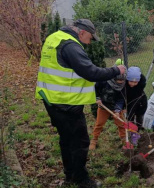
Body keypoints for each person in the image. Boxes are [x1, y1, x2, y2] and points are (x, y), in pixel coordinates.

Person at [35, 19, 126, 188]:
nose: (90, 42)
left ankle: (70, 175)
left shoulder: (55, 37)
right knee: (80, 141)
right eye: (91, 37)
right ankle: (80, 179)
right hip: (65, 103)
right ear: (82, 32)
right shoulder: (70, 46)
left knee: (67, 139)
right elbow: (90, 72)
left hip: (51, 99)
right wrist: (116, 70)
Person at [89, 67, 127, 150]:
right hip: (103, 105)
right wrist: (97, 98)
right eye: (118, 82)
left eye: (122, 82)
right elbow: (95, 88)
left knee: (121, 124)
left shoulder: (123, 86)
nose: (120, 84)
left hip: (115, 106)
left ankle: (124, 140)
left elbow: (121, 99)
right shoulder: (104, 81)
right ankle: (94, 140)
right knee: (99, 124)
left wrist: (117, 111)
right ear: (113, 79)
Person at [122, 66, 147, 144]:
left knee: (139, 116)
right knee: (130, 117)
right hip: (129, 102)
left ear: (139, 81)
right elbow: (122, 96)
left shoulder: (140, 85)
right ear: (127, 79)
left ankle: (138, 130)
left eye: (135, 82)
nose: (133, 84)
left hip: (140, 102)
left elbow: (136, 98)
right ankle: (133, 133)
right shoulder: (124, 85)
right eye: (131, 81)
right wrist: (123, 107)